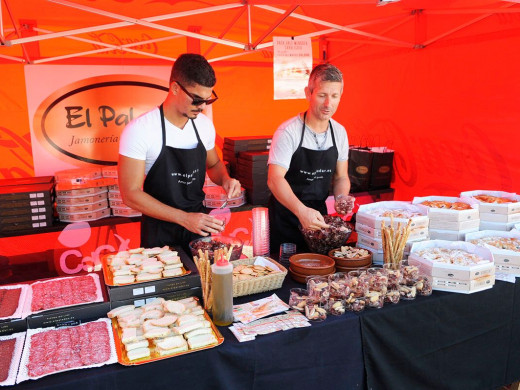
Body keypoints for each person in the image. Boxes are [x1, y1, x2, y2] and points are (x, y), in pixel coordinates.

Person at [118, 53, 241, 255]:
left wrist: (225, 180)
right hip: (159, 232)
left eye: (207, 100)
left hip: (199, 228)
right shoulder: (140, 130)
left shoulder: (204, 126)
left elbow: (214, 165)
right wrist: (184, 218)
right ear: (175, 88)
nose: (202, 107)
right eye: (196, 100)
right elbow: (130, 194)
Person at [267, 63, 355, 252]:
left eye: (334, 96)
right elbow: (274, 179)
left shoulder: (339, 132)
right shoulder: (288, 131)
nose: (328, 104)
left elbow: (341, 176)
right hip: (286, 218)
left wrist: (341, 197)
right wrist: (301, 211)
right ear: (308, 93)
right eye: (322, 95)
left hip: (318, 220)